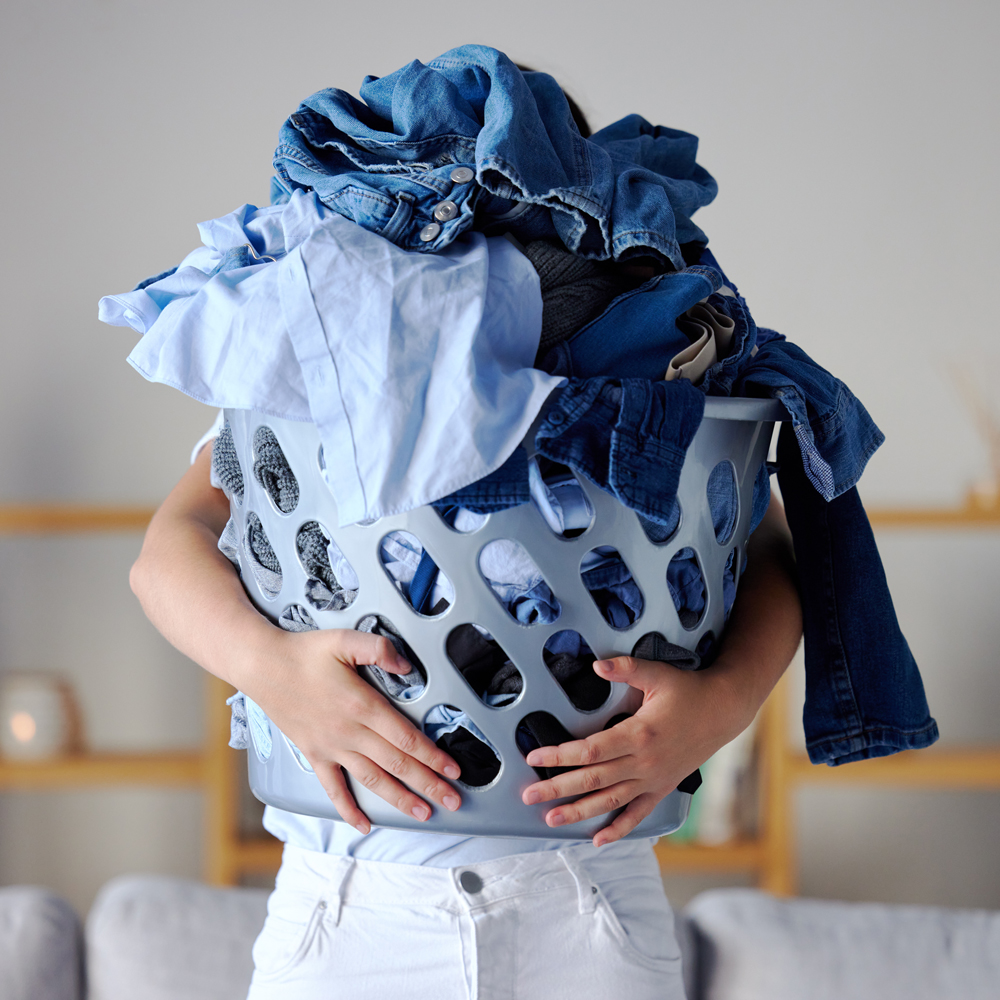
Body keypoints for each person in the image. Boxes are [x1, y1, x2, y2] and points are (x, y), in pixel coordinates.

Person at [126, 61, 803, 1000]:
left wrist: (721, 705)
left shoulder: (638, 393)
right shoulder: (324, 378)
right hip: (352, 903)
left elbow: (767, 549)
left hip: (587, 904)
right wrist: (272, 669)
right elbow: (165, 557)